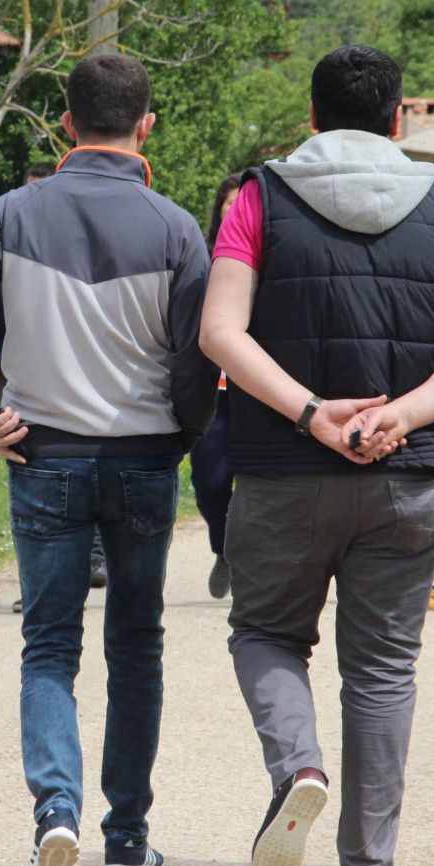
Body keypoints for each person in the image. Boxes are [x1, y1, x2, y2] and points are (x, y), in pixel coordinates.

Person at [199, 45, 434, 866]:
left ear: (311, 116)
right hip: (408, 480)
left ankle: (298, 766)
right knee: (380, 673)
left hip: (281, 472)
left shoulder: (259, 197)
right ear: (398, 117)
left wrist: (310, 412)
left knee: (266, 632)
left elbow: (218, 331)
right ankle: (369, 864)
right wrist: (398, 415)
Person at [0, 54, 217, 866]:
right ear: (147, 125)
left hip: (42, 453)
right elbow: (196, 359)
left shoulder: (15, 212)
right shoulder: (175, 227)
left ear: (64, 124)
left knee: (49, 642)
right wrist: (185, 434)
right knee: (137, 641)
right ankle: (126, 836)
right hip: (145, 458)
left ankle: (56, 812)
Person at [0, 162, 107, 614]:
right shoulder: (5, 248)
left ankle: (94, 556)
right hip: (19, 377)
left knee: (89, 456)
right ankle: (38, 581)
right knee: (30, 475)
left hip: (78, 371)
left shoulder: (80, 247)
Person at [192, 172, 245, 600]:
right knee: (210, 481)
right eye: (228, 203)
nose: (235, 210)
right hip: (211, 390)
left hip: (256, 390)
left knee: (257, 481)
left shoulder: (273, 254)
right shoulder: (200, 257)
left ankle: (253, 560)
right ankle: (224, 548)